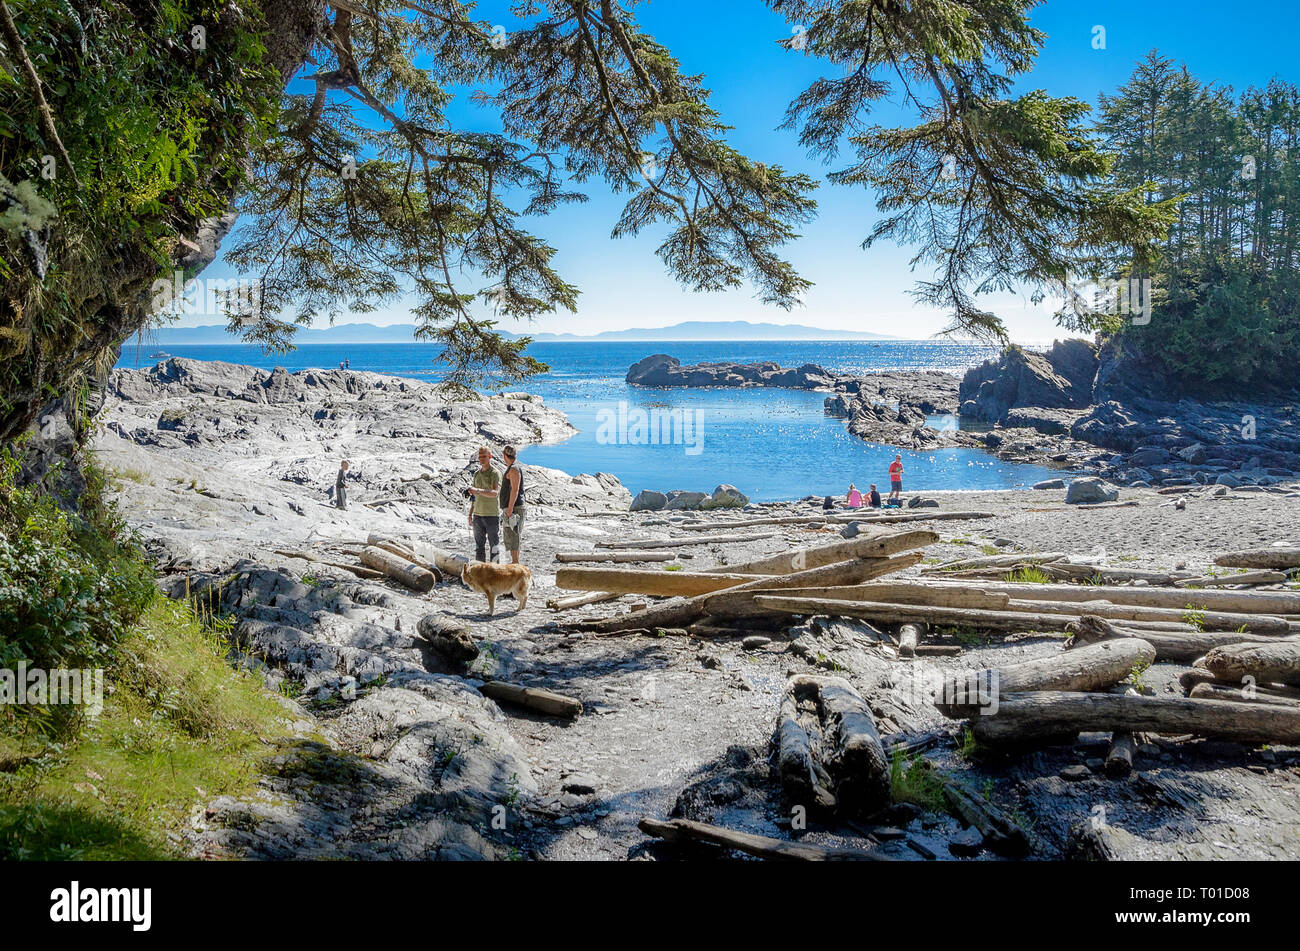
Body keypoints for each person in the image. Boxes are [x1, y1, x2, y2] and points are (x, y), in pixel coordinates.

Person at [467, 446, 501, 562]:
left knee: (494, 546)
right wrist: (470, 514)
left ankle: (495, 573)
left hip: (491, 515)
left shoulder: (495, 473)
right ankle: (480, 574)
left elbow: (495, 493)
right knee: (479, 547)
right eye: (480, 456)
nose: (481, 459)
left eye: (484, 456)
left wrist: (478, 491)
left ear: (490, 457)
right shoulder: (477, 474)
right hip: (477, 515)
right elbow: (474, 496)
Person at [499, 445, 527, 564]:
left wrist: (510, 508)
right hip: (511, 507)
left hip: (515, 507)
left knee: (514, 534)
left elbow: (514, 490)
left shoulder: (514, 469)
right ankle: (514, 561)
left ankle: (515, 562)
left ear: (505, 456)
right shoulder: (512, 468)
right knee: (510, 534)